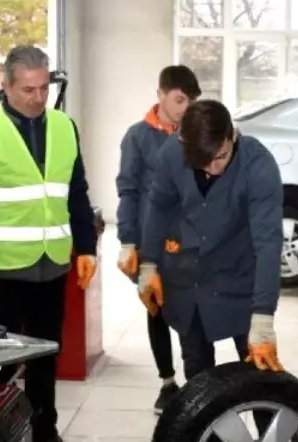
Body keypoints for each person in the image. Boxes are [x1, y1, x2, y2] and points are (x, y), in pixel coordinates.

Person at [0, 45, 96, 442]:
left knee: (46, 355)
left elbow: (76, 192)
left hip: (51, 265)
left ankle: (43, 434)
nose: (37, 97)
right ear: (6, 86)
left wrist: (86, 246)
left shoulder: (65, 127)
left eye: (43, 88)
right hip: (3, 270)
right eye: (28, 89)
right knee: (1, 361)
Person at [137, 99, 284, 381]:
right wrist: (149, 264)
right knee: (198, 378)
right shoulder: (172, 154)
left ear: (233, 136)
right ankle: (208, 427)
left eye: (221, 157)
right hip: (188, 284)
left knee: (260, 375)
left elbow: (268, 241)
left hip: (239, 280)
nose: (214, 169)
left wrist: (264, 316)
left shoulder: (257, 164)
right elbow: (158, 208)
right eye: (203, 162)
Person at [115, 65, 202, 413]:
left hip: (188, 242)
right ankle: (168, 383)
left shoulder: (195, 135)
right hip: (151, 242)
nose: (185, 107)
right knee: (157, 310)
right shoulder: (137, 137)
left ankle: (198, 380)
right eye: (180, 99)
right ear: (161, 95)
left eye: (191, 101)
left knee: (189, 311)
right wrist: (127, 241)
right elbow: (128, 190)